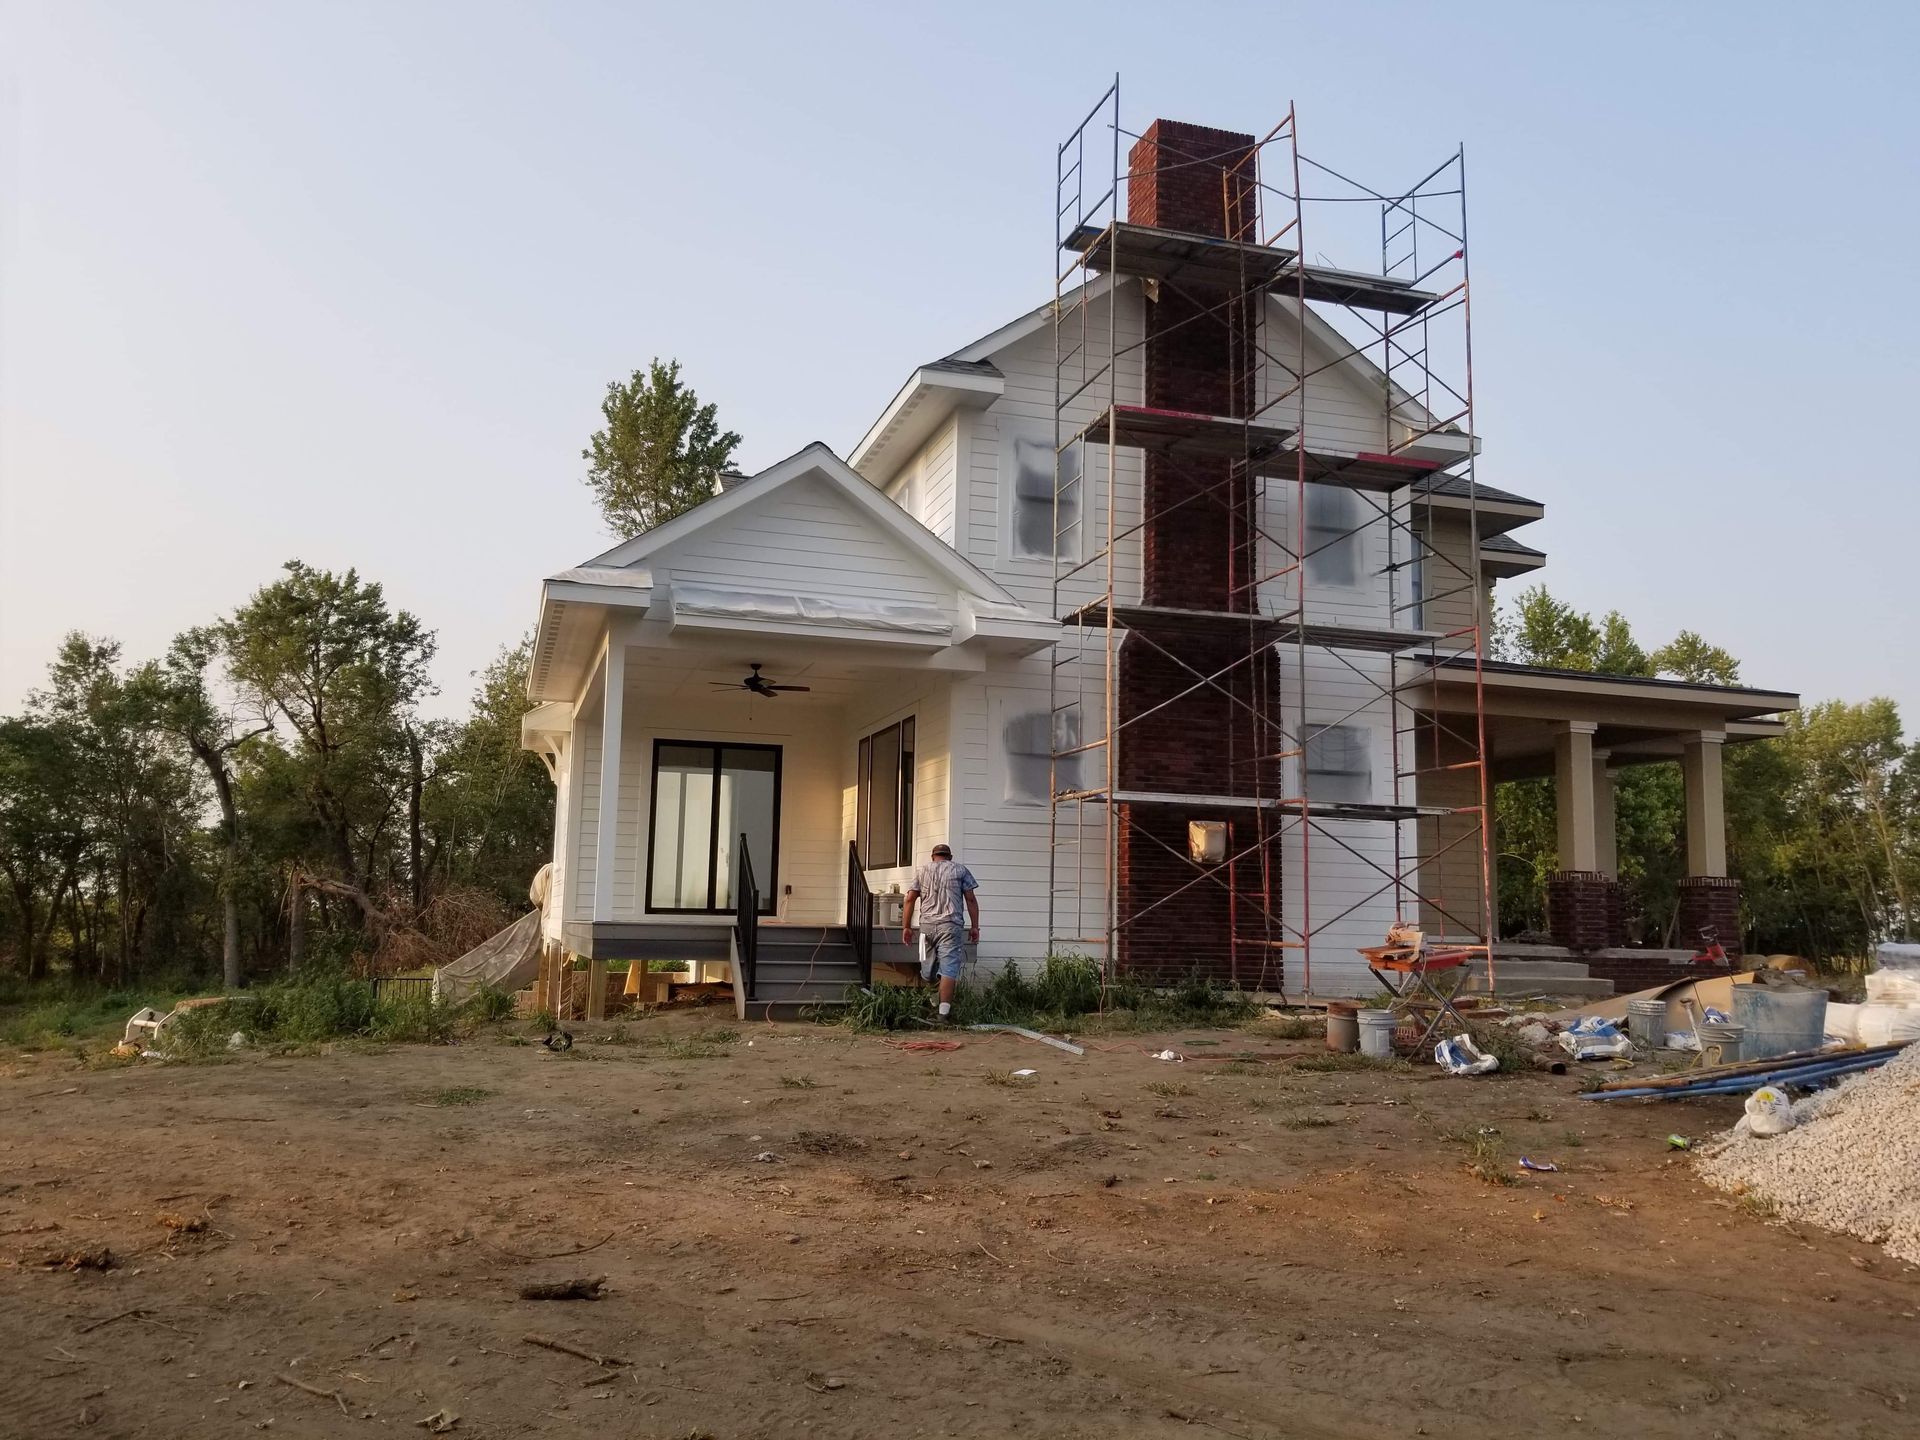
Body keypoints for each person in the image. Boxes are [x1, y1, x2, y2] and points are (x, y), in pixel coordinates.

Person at [902, 843, 979, 1023]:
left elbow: (909, 899)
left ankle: (933, 1001)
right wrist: (975, 927)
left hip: (925, 929)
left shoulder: (922, 871)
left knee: (925, 966)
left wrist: (905, 927)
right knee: (949, 968)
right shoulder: (960, 870)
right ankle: (943, 1013)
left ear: (933, 856)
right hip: (950, 926)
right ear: (949, 857)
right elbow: (971, 899)